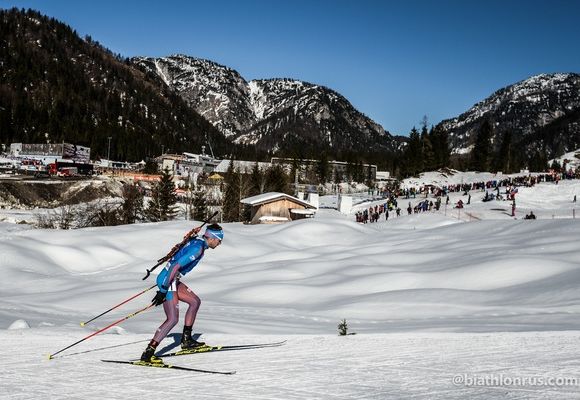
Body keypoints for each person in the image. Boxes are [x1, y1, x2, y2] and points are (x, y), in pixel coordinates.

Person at [140, 223, 224, 363]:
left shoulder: (197, 242)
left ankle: (187, 341)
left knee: (195, 301)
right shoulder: (197, 248)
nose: (219, 243)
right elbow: (175, 266)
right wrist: (163, 290)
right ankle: (148, 353)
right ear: (212, 238)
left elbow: (184, 244)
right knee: (172, 319)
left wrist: (192, 234)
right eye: (219, 240)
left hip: (171, 279)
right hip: (169, 280)